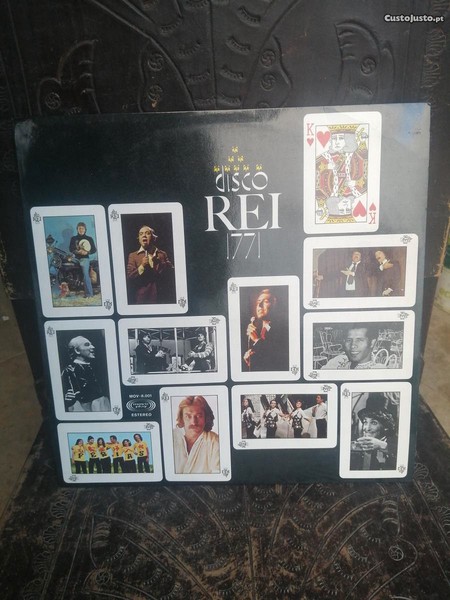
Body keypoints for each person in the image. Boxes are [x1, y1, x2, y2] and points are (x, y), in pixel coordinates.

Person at [315, 124, 368, 224]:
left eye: (341, 138)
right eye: (334, 138)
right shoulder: (359, 191)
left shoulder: (323, 194)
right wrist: (356, 182)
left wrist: (326, 167)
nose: (337, 142)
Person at [242, 288, 288, 372]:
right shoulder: (258, 330)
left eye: (265, 301)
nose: (259, 306)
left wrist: (256, 340)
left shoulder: (283, 331)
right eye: (258, 302)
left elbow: (278, 360)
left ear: (275, 305)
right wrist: (250, 359)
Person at [126, 225, 174, 304]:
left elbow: (172, 273)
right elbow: (130, 277)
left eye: (147, 233)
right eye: (141, 234)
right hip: (143, 300)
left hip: (162, 298)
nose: (144, 235)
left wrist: (160, 264)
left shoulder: (162, 254)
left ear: (153, 237)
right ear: (139, 239)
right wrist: (142, 266)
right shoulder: (133, 256)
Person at [61, 335, 111, 412]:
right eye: (87, 345)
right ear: (77, 350)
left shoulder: (98, 368)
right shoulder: (69, 370)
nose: (93, 347)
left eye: (91, 344)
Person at [172, 395, 220, 474]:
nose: (193, 422)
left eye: (199, 416)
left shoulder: (215, 441)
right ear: (182, 418)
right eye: (188, 416)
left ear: (206, 418)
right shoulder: (171, 437)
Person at [352, 394, 397, 470]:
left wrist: (382, 446)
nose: (366, 428)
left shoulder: (396, 444)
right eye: (365, 422)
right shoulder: (357, 446)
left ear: (385, 427)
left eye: (373, 423)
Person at [69, 222, 97, 298]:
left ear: (85, 229)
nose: (81, 230)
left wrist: (87, 252)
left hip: (84, 258)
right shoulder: (73, 238)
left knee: (85, 274)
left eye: (82, 228)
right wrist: (77, 251)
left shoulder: (89, 238)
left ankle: (89, 294)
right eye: (79, 228)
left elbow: (94, 249)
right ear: (77, 229)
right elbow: (71, 249)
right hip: (75, 258)